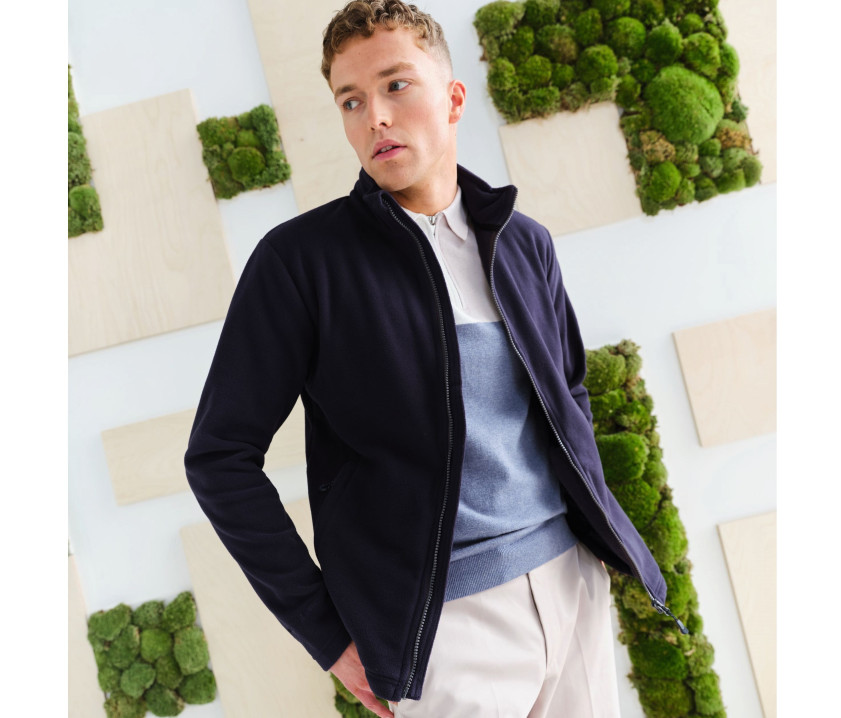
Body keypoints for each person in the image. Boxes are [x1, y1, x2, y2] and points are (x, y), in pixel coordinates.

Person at [184, 2, 681, 716]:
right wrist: (326, 636)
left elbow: (567, 395)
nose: (375, 118)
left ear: (452, 99)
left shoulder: (522, 242)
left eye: (396, 85)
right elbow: (219, 458)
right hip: (442, 629)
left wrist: (597, 540)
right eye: (351, 101)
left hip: (570, 584)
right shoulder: (300, 264)